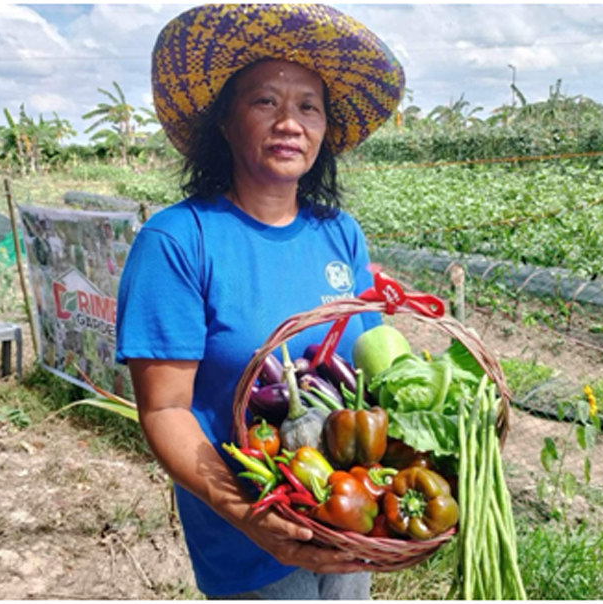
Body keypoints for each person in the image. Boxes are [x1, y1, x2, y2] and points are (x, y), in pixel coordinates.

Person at [115, 4, 405, 599]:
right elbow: (165, 411)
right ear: (225, 122)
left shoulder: (339, 233)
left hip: (347, 520)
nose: (289, 123)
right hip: (248, 546)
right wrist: (252, 516)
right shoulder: (179, 239)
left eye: (308, 107)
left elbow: (364, 375)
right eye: (265, 102)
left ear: (324, 131)